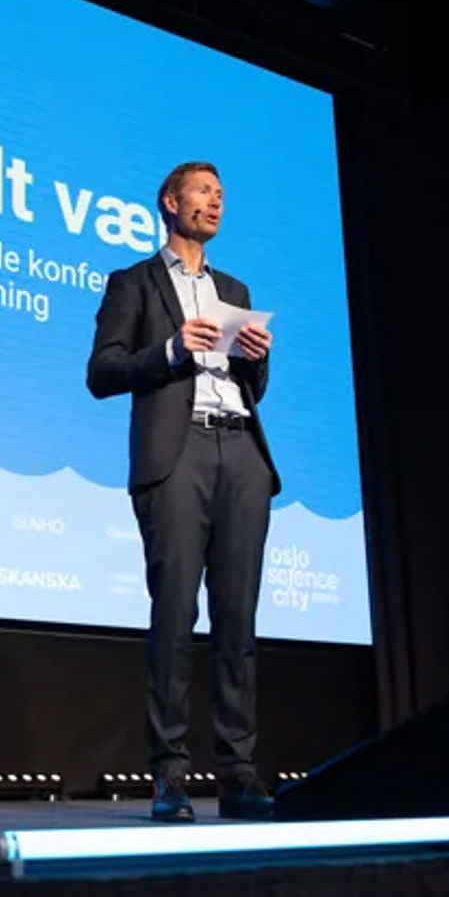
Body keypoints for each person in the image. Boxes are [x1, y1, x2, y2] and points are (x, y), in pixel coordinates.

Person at [86, 161, 280, 823]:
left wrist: (256, 355)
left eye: (221, 194)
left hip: (243, 451)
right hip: (178, 453)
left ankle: (239, 775)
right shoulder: (133, 282)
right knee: (175, 616)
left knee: (238, 619)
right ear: (169, 202)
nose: (215, 201)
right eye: (203, 191)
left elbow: (255, 386)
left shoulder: (234, 287)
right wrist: (170, 349)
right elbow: (102, 371)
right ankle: (169, 777)